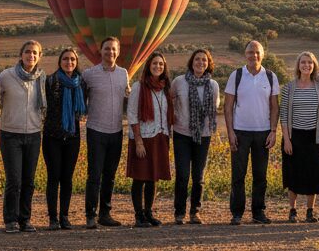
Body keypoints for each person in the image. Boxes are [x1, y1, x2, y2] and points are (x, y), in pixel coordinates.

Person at [223, 39, 280, 225]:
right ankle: (237, 213)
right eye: (250, 52)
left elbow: (274, 107)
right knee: (238, 175)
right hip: (240, 132)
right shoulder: (236, 75)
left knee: (260, 176)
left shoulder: (271, 76)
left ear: (263, 55)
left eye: (257, 52)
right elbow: (228, 106)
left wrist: (273, 131)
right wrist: (230, 132)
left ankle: (258, 212)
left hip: (263, 132)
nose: (253, 55)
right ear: (245, 54)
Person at [0, 40, 46, 233]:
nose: (31, 56)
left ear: (39, 56)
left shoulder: (41, 78)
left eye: (35, 53)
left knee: (29, 180)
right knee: (14, 180)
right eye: (27, 52)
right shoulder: (6, 76)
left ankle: (25, 219)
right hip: (10, 134)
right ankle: (10, 220)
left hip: (34, 134)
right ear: (21, 55)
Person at [82, 37, 130, 229]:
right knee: (94, 175)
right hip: (96, 130)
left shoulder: (123, 73)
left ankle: (105, 213)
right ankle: (90, 215)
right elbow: (79, 99)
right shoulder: (89, 74)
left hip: (116, 131)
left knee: (110, 175)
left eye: (113, 49)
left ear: (118, 52)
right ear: (100, 51)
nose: (110, 52)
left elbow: (127, 98)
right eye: (107, 49)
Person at [171, 48, 220, 224]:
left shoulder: (213, 85)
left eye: (204, 60)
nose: (200, 62)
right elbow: (169, 102)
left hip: (204, 135)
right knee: (183, 175)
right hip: (181, 134)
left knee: (198, 177)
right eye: (197, 59)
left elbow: (214, 108)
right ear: (192, 62)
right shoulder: (179, 82)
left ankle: (195, 212)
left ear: (208, 64)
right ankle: (179, 212)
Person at [280, 51, 319, 222]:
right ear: (298, 65)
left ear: (314, 65)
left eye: (309, 62)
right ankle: (292, 211)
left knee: (313, 174)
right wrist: (286, 139)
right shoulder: (288, 87)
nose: (306, 65)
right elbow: (284, 116)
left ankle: (310, 211)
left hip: (313, 137)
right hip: (294, 137)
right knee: (293, 174)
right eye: (303, 62)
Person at [127, 51, 173, 228]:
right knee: (140, 177)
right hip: (143, 137)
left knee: (153, 178)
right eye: (155, 63)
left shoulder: (165, 87)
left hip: (160, 136)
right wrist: (138, 140)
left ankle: (148, 213)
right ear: (148, 66)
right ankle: (138, 215)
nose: (158, 67)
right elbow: (131, 114)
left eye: (161, 64)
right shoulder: (139, 86)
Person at [43, 46, 87, 230]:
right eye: (65, 59)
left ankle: (65, 216)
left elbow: (84, 107)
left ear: (76, 63)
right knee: (54, 177)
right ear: (59, 62)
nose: (69, 62)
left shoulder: (81, 83)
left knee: (67, 178)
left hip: (72, 136)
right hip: (52, 136)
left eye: (72, 59)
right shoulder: (51, 80)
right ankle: (53, 218)